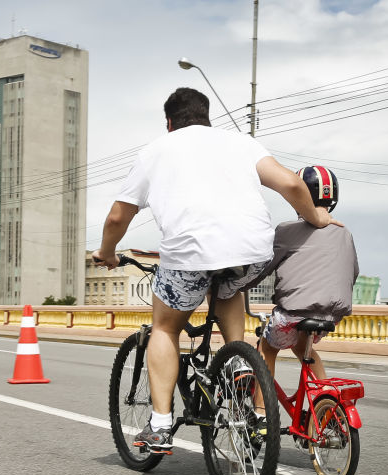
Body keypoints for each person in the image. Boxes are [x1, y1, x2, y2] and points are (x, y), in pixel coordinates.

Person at [92, 87, 340, 453]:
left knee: (164, 327)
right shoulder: (241, 143)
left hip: (189, 255)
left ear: (170, 122)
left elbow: (117, 217)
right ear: (207, 117)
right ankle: (239, 361)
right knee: (227, 284)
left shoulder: (155, 151)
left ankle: (160, 425)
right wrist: (314, 214)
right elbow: (290, 182)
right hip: (251, 251)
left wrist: (107, 252)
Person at [250, 166, 358, 385]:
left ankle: (261, 412)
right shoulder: (345, 232)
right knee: (302, 347)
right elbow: (353, 272)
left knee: (267, 347)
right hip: (330, 315)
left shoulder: (287, 230)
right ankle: (322, 403)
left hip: (293, 313)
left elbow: (264, 267)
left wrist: (240, 285)